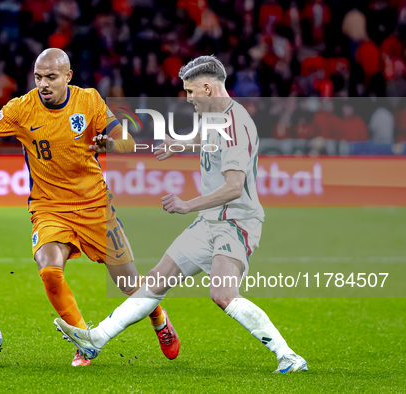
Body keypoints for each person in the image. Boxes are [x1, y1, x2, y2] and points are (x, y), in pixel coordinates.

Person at [0, 48, 179, 366]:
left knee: (128, 284)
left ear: (68, 77)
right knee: (49, 269)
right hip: (48, 208)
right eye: (38, 77)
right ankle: (85, 341)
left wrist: (111, 144)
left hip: (95, 206)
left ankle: (159, 319)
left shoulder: (89, 101)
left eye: (51, 77)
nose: (43, 84)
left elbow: (123, 140)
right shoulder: (20, 109)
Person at [54, 55, 308, 373]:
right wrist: (182, 145)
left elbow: (233, 187)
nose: (187, 98)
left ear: (207, 87)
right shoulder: (218, 114)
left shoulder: (236, 125)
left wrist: (188, 204)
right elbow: (210, 141)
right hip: (209, 222)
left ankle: (289, 356)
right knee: (156, 281)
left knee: (223, 293)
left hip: (234, 222)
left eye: (190, 92)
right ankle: (96, 339)